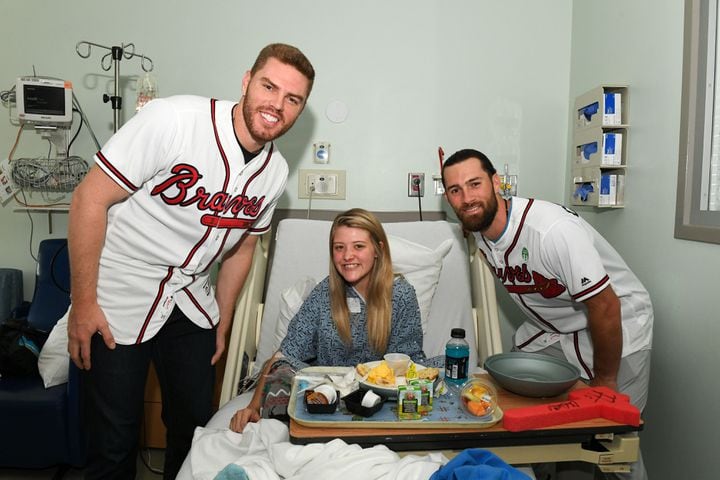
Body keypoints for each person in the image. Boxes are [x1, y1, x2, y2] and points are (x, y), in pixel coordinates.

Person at [66, 43, 315, 480]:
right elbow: (89, 198)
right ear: (246, 81)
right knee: (113, 440)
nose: (277, 105)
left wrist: (222, 319)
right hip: (120, 288)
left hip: (190, 297)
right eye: (269, 87)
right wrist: (84, 303)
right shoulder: (174, 120)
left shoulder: (273, 174)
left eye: (292, 99)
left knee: (194, 431)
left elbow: (243, 246)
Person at [441, 148, 652, 480]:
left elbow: (605, 305)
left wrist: (605, 384)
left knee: (613, 438)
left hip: (618, 323)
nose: (467, 198)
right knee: (522, 408)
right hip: (558, 327)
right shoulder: (481, 231)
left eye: (474, 184)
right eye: (455, 190)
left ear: (497, 183)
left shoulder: (552, 231)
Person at [229, 208, 428, 433]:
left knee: (447, 369)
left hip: (381, 394)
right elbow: (285, 354)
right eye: (339, 247)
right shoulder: (324, 294)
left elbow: (406, 360)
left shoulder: (400, 295)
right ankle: (297, 428)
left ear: (378, 250)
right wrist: (253, 406)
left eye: (358, 246)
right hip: (325, 391)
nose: (347, 256)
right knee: (280, 370)